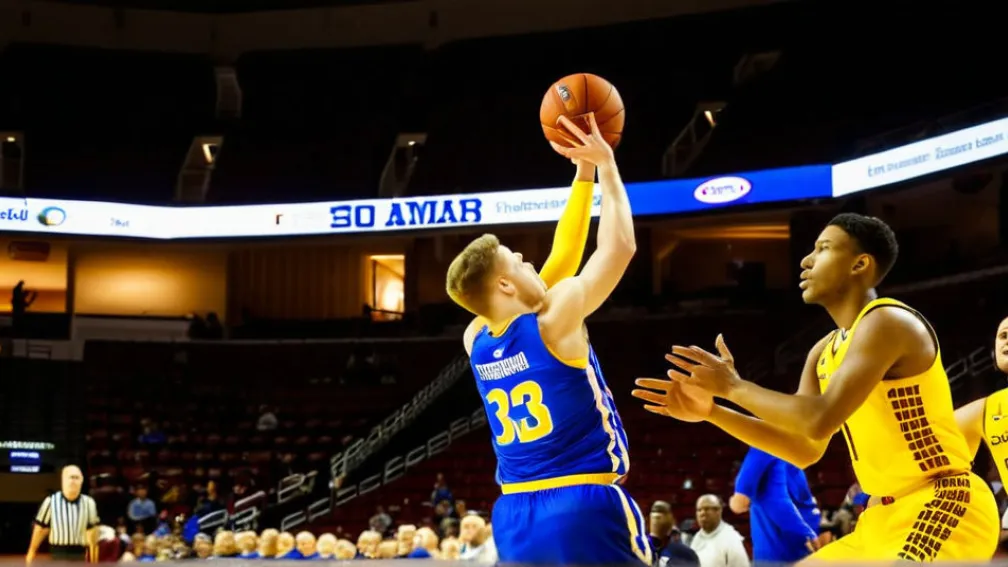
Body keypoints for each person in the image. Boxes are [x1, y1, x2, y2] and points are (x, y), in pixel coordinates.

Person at [633, 213, 1000, 561]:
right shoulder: (822, 351)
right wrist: (713, 411)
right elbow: (804, 448)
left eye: (823, 248)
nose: (806, 260)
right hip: (878, 519)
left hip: (941, 503)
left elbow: (818, 419)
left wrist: (732, 387)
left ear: (860, 265)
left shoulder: (889, 321)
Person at [446, 114, 647, 565]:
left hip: (514, 513)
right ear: (503, 285)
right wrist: (608, 166)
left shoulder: (475, 337)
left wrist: (583, 172)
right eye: (515, 259)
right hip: (582, 500)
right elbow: (619, 248)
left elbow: (561, 257)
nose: (526, 259)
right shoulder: (555, 319)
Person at [729, 447, 819, 563]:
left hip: (775, 553)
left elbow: (739, 504)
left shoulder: (762, 450)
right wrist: (808, 533)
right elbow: (804, 503)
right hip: (804, 548)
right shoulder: (793, 458)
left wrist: (733, 501)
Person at [27, 465, 101, 563]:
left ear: (81, 480)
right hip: (58, 552)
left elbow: (93, 533)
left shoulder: (89, 503)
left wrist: (94, 561)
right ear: (63, 479)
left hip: (79, 553)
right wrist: (31, 552)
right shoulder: (51, 501)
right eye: (71, 477)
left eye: (76, 477)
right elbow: (39, 529)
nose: (73, 481)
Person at [648, 501, 699, 566]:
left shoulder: (685, 553)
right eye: (654, 517)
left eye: (660, 517)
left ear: (671, 519)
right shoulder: (640, 549)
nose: (657, 521)